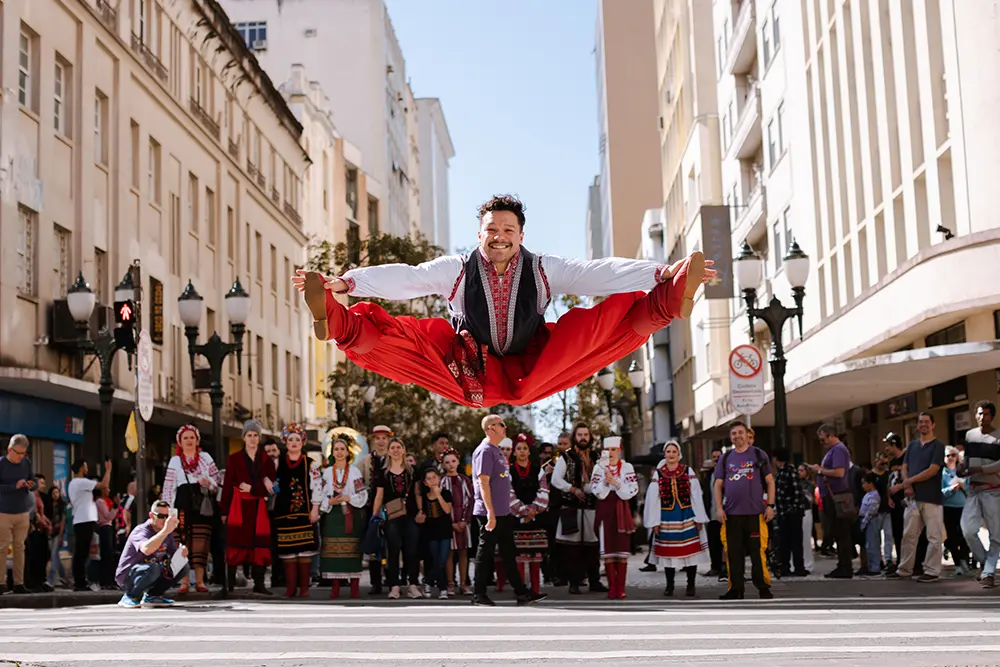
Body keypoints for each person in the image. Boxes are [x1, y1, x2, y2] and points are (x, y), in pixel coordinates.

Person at [293, 194, 715, 408]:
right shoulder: (456, 268)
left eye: (508, 230)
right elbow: (411, 279)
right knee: (408, 337)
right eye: (491, 229)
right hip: (466, 366)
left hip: (532, 365)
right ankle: (338, 320)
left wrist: (658, 272)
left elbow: (594, 273)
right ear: (480, 234)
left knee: (594, 330)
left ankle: (667, 298)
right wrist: (349, 284)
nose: (499, 236)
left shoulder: (545, 268)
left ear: (521, 236)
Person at [471, 414, 547, 607]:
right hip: (491, 512)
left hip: (504, 512)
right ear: (491, 428)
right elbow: (483, 482)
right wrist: (490, 513)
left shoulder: (496, 451)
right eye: (502, 425)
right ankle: (478, 594)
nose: (505, 428)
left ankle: (522, 593)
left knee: (508, 553)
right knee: (485, 551)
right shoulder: (485, 451)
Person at [714, 421, 775, 600]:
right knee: (733, 554)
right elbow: (718, 485)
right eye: (734, 434)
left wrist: (770, 506)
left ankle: (763, 587)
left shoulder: (758, 454)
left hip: (755, 514)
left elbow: (770, 482)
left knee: (758, 552)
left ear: (747, 435)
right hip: (731, 515)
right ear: (730, 437)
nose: (737, 436)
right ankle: (736, 589)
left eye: (740, 433)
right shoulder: (726, 458)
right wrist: (719, 508)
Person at [644, 441, 709, 597]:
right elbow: (653, 499)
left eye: (674, 451)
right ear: (665, 454)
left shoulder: (687, 471)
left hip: (686, 515)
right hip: (667, 517)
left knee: (690, 553)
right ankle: (670, 585)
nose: (671, 454)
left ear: (678, 454)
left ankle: (691, 584)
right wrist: (654, 522)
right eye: (668, 451)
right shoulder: (659, 473)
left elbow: (696, 494)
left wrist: (699, 517)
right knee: (668, 553)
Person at [161, 425, 219, 594]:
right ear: (180, 441)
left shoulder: (206, 458)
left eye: (192, 437)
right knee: (182, 544)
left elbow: (217, 482)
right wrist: (168, 512)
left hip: (201, 507)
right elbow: (169, 487)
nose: (189, 441)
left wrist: (209, 483)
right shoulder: (175, 461)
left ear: (197, 440)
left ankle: (200, 581)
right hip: (182, 507)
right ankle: (184, 582)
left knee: (201, 544)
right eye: (185, 438)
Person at [887, 412, 946, 582]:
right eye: (920, 422)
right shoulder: (912, 446)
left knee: (934, 536)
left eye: (927, 422)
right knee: (909, 535)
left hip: (932, 498)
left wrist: (905, 483)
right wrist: (908, 485)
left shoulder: (938, 446)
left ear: (933, 425)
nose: (923, 425)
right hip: (913, 498)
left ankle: (932, 571)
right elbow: (905, 467)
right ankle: (904, 569)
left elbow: (932, 470)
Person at [220, 420, 276, 596]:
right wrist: (224, 510)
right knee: (235, 543)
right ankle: (229, 584)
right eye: (249, 435)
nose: (252, 439)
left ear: (259, 438)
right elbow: (228, 485)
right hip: (238, 506)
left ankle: (259, 583)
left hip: (258, 507)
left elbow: (273, 487)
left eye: (255, 435)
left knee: (259, 544)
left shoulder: (266, 461)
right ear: (244, 438)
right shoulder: (234, 459)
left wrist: (253, 488)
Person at [550, 422, 607, 595]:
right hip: (572, 507)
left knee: (592, 546)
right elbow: (555, 480)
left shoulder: (597, 457)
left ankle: (595, 581)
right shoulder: (566, 457)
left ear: (590, 437)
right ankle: (574, 583)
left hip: (591, 506)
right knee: (572, 549)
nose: (583, 438)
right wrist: (573, 489)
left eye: (586, 435)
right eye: (580, 434)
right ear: (575, 437)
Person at [271, 422, 322, 598]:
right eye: (290, 439)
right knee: (288, 551)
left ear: (302, 443)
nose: (294, 442)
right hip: (284, 513)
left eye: (297, 440)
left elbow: (317, 488)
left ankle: (304, 588)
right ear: (285, 442)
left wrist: (315, 509)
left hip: (304, 513)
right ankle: (290, 588)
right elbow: (272, 485)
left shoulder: (311, 464)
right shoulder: (278, 464)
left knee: (305, 551)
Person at [371, 437, 420, 600]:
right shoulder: (382, 472)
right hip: (391, 517)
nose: (396, 450)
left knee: (411, 551)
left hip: (411, 515)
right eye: (392, 447)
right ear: (388, 450)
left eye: (399, 447)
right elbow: (379, 496)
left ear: (404, 450)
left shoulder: (412, 471)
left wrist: (421, 511)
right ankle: (394, 586)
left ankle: (412, 584)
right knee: (392, 551)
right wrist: (374, 515)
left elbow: (418, 493)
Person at [318, 437, 368, 599]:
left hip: (350, 514)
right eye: (336, 449)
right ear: (332, 452)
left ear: (348, 453)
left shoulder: (354, 471)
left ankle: (354, 587)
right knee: (333, 553)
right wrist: (329, 501)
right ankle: (335, 588)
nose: (339, 452)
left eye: (342, 449)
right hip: (333, 516)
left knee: (352, 551)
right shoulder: (326, 472)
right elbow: (319, 495)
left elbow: (362, 494)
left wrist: (348, 498)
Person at [115, 500, 188, 608]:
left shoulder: (167, 532)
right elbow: (146, 549)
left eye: (167, 516)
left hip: (150, 571)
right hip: (129, 575)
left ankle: (153, 596)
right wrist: (165, 531)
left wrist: (181, 553)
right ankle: (129, 596)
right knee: (154, 568)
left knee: (182, 566)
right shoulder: (141, 530)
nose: (164, 520)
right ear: (151, 516)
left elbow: (172, 555)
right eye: (160, 516)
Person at [591, 437, 638, 600]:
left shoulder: (627, 467)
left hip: (620, 509)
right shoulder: (598, 468)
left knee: (621, 549)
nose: (610, 453)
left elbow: (633, 490)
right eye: (607, 449)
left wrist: (616, 483)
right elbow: (595, 490)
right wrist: (605, 482)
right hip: (605, 509)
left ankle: (621, 586)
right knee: (608, 549)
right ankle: (612, 587)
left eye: (613, 449)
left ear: (619, 450)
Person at [961, 400, 1000, 588]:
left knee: (996, 535)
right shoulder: (970, 435)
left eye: (985, 414)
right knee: (967, 530)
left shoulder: (999, 436)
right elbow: (967, 459)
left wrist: (980, 469)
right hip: (973, 490)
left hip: (994, 491)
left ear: (992, 416)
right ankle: (986, 565)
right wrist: (963, 466)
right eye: (979, 413)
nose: (981, 417)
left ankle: (988, 573)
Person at [505, 436, 550, 595]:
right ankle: (523, 591)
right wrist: (523, 511)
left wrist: (534, 510)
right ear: (514, 452)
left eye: (525, 448)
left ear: (529, 451)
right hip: (517, 518)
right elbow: (508, 494)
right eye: (519, 449)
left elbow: (544, 491)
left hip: (536, 518)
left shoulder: (538, 469)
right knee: (520, 555)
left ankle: (536, 590)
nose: (522, 452)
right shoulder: (509, 471)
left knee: (536, 554)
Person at [0, 435, 36, 594]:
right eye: (18, 453)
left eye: (24, 454)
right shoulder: (1, 463)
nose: (21, 457)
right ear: (9, 449)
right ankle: (1, 583)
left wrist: (31, 484)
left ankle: (18, 583)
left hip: (22, 511)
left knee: (20, 548)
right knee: (2, 548)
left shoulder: (26, 463)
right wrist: (13, 486)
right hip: (3, 512)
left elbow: (33, 480)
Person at [68, 458, 111, 591]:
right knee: (81, 552)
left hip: (84, 520)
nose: (87, 469)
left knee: (84, 552)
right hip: (83, 521)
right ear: (81, 468)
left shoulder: (77, 483)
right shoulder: (80, 482)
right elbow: (103, 485)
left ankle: (81, 580)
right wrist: (108, 470)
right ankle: (79, 581)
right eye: (85, 466)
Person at [440, 447, 473, 596]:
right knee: (449, 552)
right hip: (449, 521)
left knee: (463, 551)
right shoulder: (441, 481)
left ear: (458, 462)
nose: (451, 465)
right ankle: (450, 583)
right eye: (447, 462)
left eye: (453, 461)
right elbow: (439, 504)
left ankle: (464, 583)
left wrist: (465, 520)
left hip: (463, 520)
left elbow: (470, 500)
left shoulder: (464, 480)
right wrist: (450, 522)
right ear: (443, 464)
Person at [419, 467, 454, 599]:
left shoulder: (446, 493)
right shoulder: (424, 497)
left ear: (439, 479)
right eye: (429, 479)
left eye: (434, 477)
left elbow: (447, 510)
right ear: (425, 483)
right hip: (430, 531)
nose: (432, 481)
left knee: (442, 560)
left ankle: (428, 581)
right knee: (434, 559)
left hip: (444, 530)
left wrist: (438, 494)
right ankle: (442, 588)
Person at [941, 446, 970, 575]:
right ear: (944, 458)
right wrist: (950, 489)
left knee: (966, 535)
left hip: (964, 506)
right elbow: (939, 493)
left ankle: (964, 560)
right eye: (948, 456)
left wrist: (964, 485)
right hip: (948, 508)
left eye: (953, 455)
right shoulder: (941, 473)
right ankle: (958, 564)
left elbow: (970, 488)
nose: (951, 458)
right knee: (952, 536)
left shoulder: (962, 471)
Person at [859, 472, 883, 575]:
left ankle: (875, 567)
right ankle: (871, 565)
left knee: (873, 544)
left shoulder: (874, 496)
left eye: (864, 483)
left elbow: (871, 511)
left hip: (871, 521)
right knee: (869, 545)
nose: (863, 486)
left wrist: (864, 523)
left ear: (870, 483)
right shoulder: (867, 495)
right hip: (866, 520)